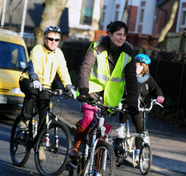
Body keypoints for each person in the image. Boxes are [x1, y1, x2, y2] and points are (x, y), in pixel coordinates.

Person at [68, 21, 139, 159]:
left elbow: (131, 80)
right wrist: (83, 89)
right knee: (89, 117)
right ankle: (76, 144)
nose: (122, 38)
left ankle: (97, 174)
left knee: (103, 136)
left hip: (111, 99)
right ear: (110, 34)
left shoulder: (128, 53)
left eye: (124, 35)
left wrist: (132, 103)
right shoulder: (97, 47)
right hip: (91, 93)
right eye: (119, 34)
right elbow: (85, 68)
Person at [19, 26, 76, 161]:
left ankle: (39, 145)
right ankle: (25, 120)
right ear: (45, 38)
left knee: (45, 116)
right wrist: (34, 79)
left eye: (56, 40)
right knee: (32, 94)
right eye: (50, 39)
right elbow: (33, 66)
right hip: (29, 79)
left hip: (45, 86)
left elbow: (63, 71)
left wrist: (69, 86)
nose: (53, 42)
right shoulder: (37, 49)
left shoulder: (59, 54)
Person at [117, 53, 164, 164]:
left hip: (139, 107)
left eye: (140, 65)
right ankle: (121, 127)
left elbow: (156, 89)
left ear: (145, 67)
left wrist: (159, 96)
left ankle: (138, 154)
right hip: (128, 103)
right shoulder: (128, 76)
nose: (137, 66)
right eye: (136, 64)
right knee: (125, 109)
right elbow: (120, 87)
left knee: (141, 131)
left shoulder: (148, 79)